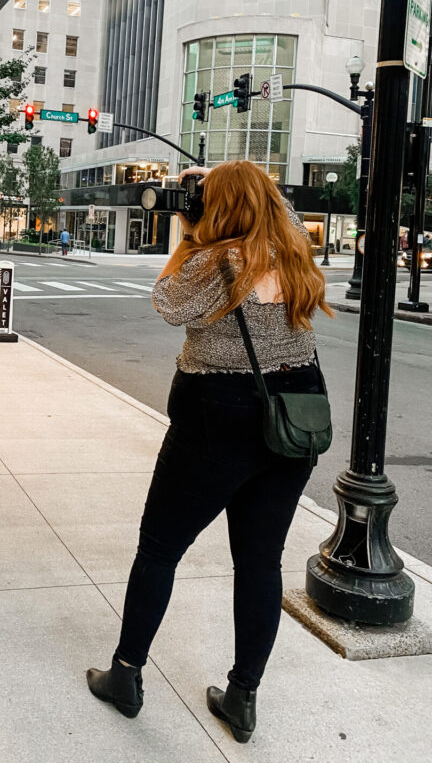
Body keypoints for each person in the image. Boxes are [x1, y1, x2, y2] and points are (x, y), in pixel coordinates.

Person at [87, 160, 333, 742]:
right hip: (292, 423)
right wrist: (245, 181)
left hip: (215, 421)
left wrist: (190, 226)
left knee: (159, 550)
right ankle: (243, 695)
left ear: (213, 208)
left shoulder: (213, 262)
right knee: (259, 564)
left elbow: (167, 302)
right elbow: (281, 215)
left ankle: (126, 675)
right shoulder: (294, 252)